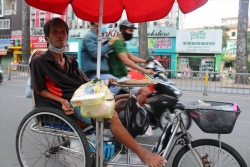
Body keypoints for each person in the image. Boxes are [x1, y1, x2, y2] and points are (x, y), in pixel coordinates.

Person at [30, 18, 167, 167]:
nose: (60, 35)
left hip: (86, 97)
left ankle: (120, 139)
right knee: (111, 114)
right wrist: (62, 101)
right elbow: (39, 90)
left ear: (67, 36)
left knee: (128, 99)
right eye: (55, 32)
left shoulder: (71, 61)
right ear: (46, 38)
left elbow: (87, 83)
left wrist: (104, 83)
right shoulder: (39, 61)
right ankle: (143, 154)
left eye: (63, 31)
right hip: (71, 104)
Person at [108, 19, 155, 105]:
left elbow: (131, 57)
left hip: (124, 75)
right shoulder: (118, 42)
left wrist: (145, 61)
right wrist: (144, 70)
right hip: (119, 77)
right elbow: (126, 61)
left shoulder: (122, 42)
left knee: (143, 84)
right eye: (130, 30)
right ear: (122, 30)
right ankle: (131, 115)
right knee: (145, 91)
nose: (131, 33)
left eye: (132, 31)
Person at [81, 22, 121, 95]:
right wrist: (110, 43)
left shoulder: (98, 37)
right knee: (116, 84)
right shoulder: (89, 36)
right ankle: (103, 103)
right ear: (94, 22)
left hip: (101, 74)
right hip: (93, 74)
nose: (104, 24)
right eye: (102, 22)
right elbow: (96, 54)